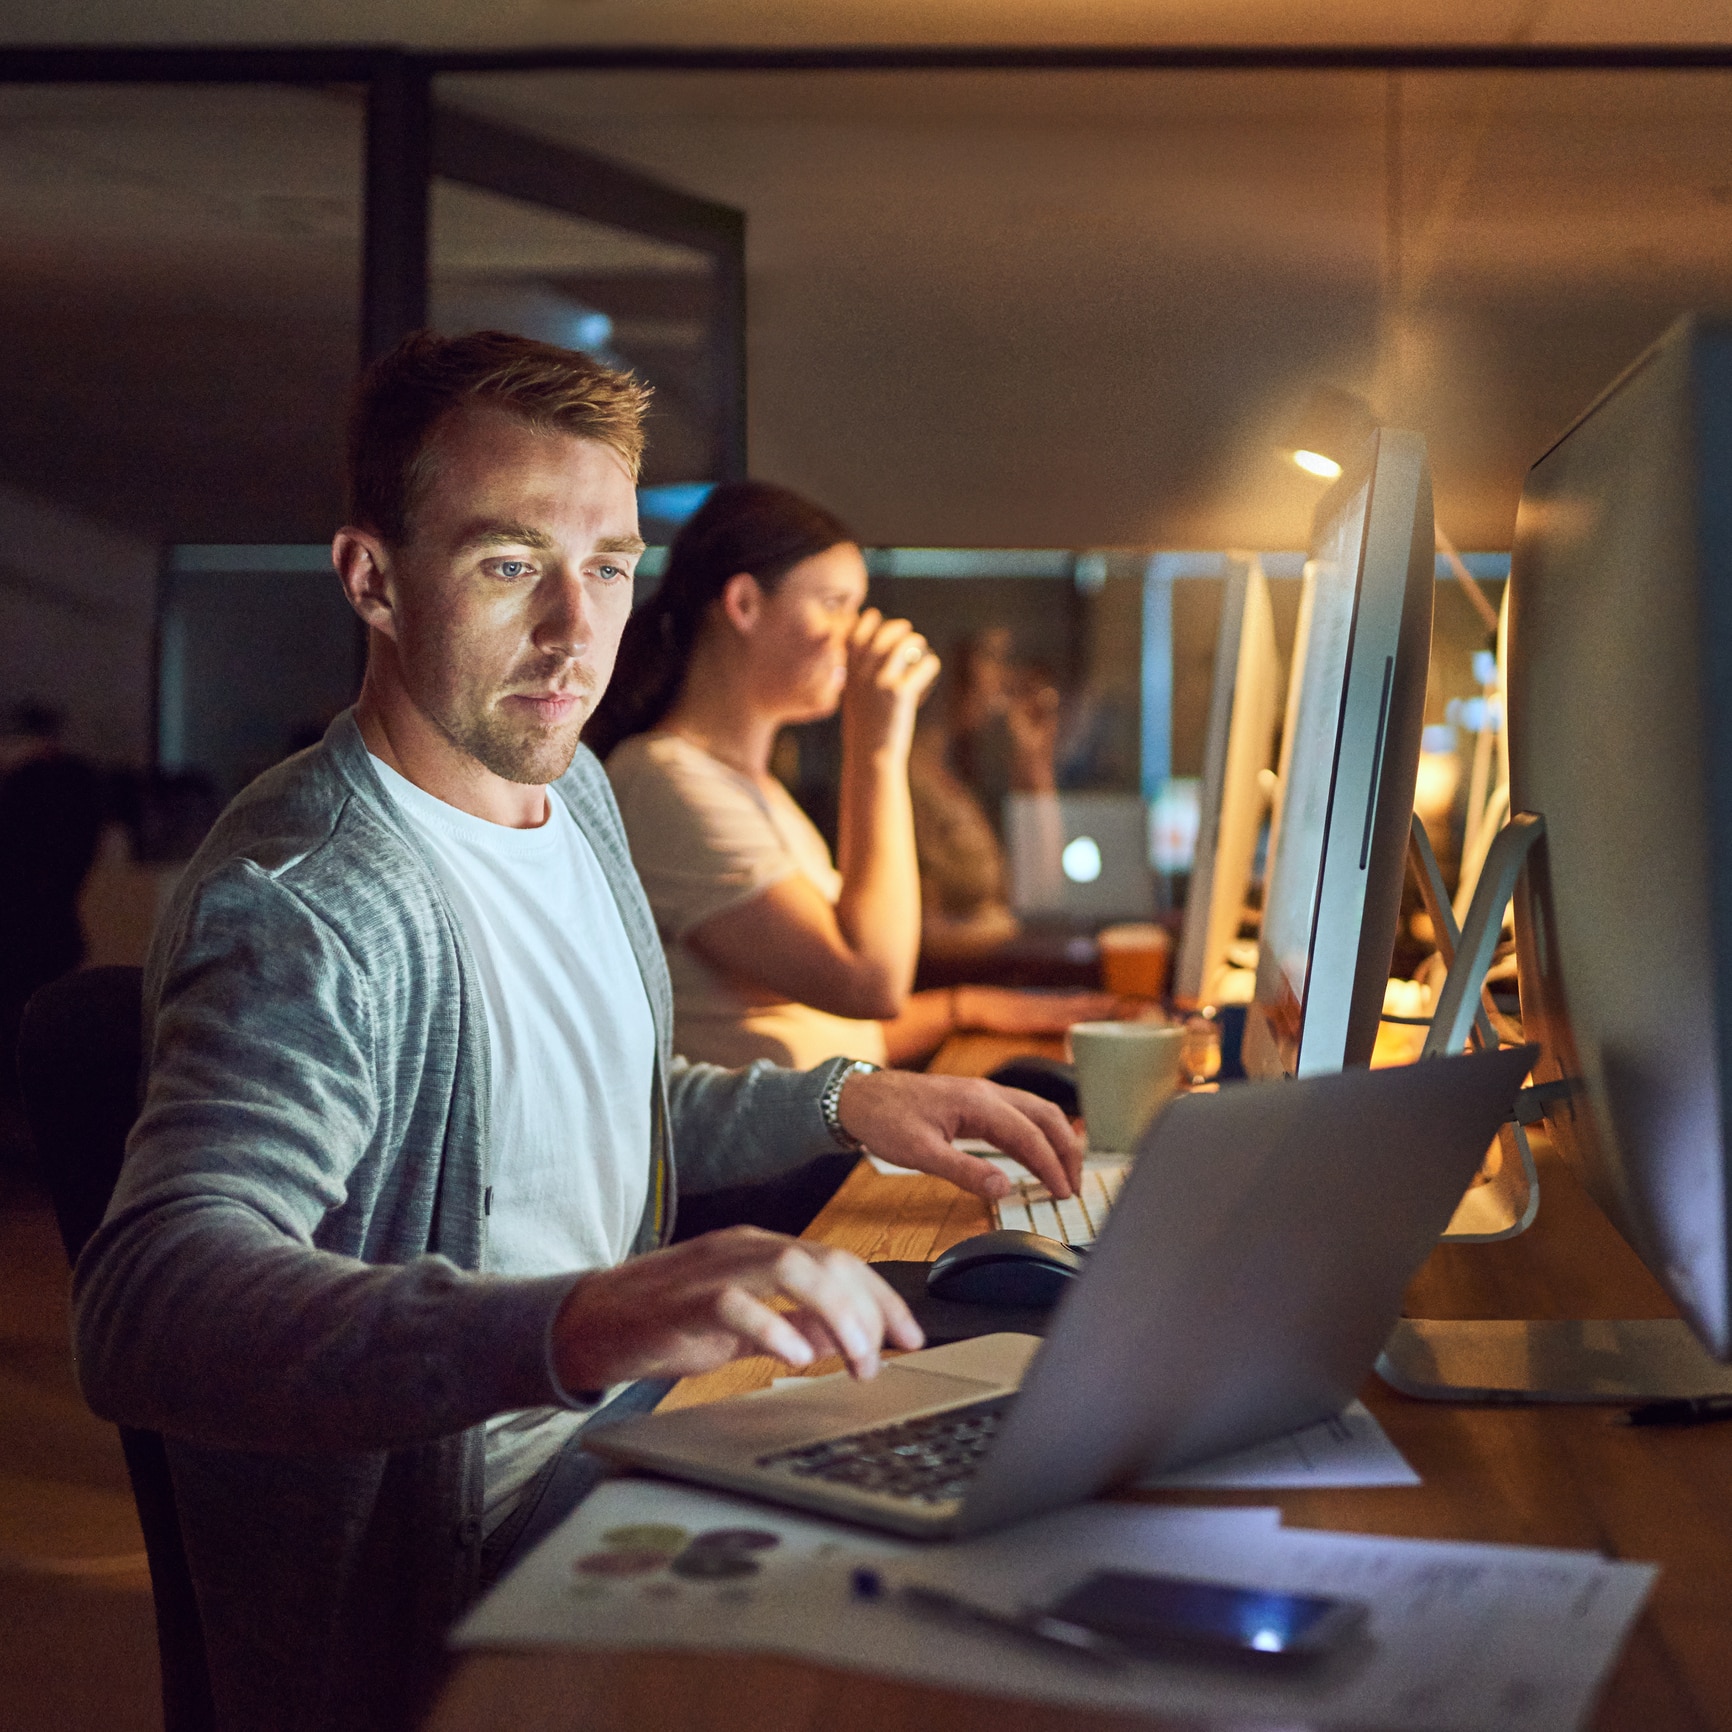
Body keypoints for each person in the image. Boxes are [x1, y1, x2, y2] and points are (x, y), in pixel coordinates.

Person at [72, 331, 1080, 1732]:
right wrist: (584, 1319)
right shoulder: (312, 907)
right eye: (507, 564)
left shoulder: (576, 794)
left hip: (627, 1428)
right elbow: (147, 1306)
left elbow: (595, 1096)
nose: (574, 629)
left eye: (605, 567)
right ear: (371, 579)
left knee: (1049, 1483)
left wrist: (848, 1099)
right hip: (466, 1546)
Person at [590, 481, 1119, 1081]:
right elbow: (870, 983)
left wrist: (961, 1008)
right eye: (835, 603)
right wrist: (875, 748)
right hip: (767, 1166)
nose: (855, 633)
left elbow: (829, 1028)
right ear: (743, 604)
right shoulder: (664, 779)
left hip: (824, 1127)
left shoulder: (748, 785)